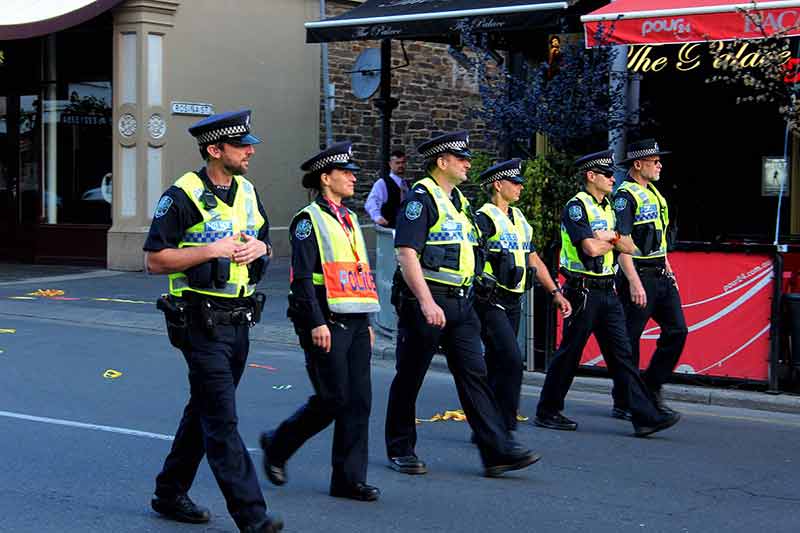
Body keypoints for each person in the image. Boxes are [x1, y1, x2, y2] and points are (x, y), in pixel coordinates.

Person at [144, 110, 283, 533]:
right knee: (222, 420)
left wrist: (261, 249)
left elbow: (267, 245)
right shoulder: (182, 194)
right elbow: (154, 260)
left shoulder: (246, 190)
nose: (251, 151)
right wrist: (211, 251)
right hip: (198, 323)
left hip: (239, 321)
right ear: (215, 150)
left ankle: (169, 492)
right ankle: (252, 516)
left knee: (203, 409)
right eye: (242, 146)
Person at [385, 131, 541, 478]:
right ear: (442, 162)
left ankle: (497, 450)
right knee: (410, 377)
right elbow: (406, 253)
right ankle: (400, 448)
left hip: (461, 304)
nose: (469, 163)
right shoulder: (420, 199)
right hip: (427, 302)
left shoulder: (461, 203)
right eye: (461, 158)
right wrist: (425, 301)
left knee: (476, 376)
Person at [260, 142, 381, 502]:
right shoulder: (308, 220)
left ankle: (347, 479)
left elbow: (357, 273)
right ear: (326, 178)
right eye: (346, 172)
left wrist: (368, 320)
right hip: (324, 321)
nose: (353, 177)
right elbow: (301, 279)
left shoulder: (349, 220)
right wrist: (315, 322)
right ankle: (278, 445)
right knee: (333, 399)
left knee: (359, 401)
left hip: (356, 321)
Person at [533, 150, 681, 438]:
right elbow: (589, 248)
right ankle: (547, 410)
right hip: (583, 291)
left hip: (607, 290)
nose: (614, 178)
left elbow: (629, 246)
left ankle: (643, 416)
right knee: (569, 355)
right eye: (607, 174)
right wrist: (609, 240)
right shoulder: (577, 207)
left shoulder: (609, 208)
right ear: (591, 177)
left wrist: (608, 239)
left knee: (623, 355)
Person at [473, 158, 572, 433]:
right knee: (512, 360)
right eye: (515, 183)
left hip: (513, 300)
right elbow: (472, 259)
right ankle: (502, 429)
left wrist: (554, 291)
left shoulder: (518, 218)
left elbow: (533, 258)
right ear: (498, 184)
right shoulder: (483, 218)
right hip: (491, 300)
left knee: (496, 363)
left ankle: (485, 428)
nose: (520, 188)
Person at [610, 139, 687, 420]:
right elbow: (621, 243)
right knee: (630, 339)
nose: (660, 165)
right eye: (655, 161)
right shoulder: (625, 196)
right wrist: (633, 281)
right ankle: (624, 400)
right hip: (638, 274)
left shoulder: (653, 192)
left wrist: (669, 268)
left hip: (660, 274)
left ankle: (651, 386)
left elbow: (658, 238)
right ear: (638, 164)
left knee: (677, 330)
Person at [364, 149, 408, 228]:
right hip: (388, 230)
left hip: (405, 229)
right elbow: (372, 201)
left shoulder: (406, 184)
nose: (400, 165)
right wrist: (377, 217)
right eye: (397, 163)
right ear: (390, 164)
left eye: (403, 162)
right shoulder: (382, 183)